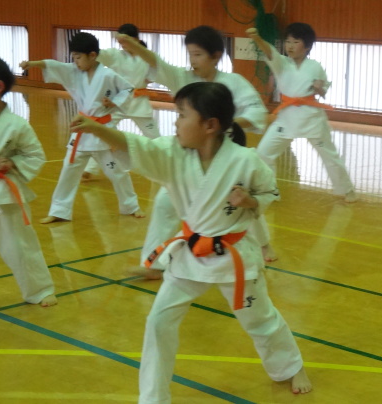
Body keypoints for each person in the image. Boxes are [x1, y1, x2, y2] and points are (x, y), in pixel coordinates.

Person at [70, 81, 312, 402]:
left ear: (210, 125)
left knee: (260, 320)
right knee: (158, 322)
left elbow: (269, 192)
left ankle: (290, 367)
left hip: (232, 258)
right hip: (190, 256)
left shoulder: (246, 160)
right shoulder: (173, 153)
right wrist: (97, 129)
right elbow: (136, 146)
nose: (176, 123)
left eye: (183, 115)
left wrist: (251, 201)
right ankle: (153, 398)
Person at [116, 26, 278, 279]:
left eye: (198, 54)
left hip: (225, 157)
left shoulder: (234, 82)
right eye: (190, 54)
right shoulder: (184, 79)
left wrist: (226, 125)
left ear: (216, 56)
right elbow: (158, 64)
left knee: (241, 204)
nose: (192, 60)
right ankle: (154, 265)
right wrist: (135, 47)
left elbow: (257, 112)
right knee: (164, 203)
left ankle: (263, 245)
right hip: (189, 157)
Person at [20, 32, 145, 223]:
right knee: (68, 171)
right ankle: (59, 210)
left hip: (102, 132)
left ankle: (131, 206)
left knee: (116, 172)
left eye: (78, 57)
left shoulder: (107, 75)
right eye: (73, 57)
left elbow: (128, 89)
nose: (75, 62)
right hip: (81, 131)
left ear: (92, 55)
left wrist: (114, 102)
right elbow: (55, 65)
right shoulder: (74, 72)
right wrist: (33, 64)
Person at [0, 54, 57, 307]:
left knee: (18, 245)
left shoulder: (16, 125)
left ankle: (39, 290)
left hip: (1, 193)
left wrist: (13, 162)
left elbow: (35, 155)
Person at [247, 23, 358, 203]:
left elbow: (323, 91)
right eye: (287, 41)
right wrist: (257, 38)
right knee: (263, 153)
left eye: (295, 42)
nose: (290, 46)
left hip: (311, 117)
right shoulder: (282, 63)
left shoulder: (315, 66)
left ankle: (346, 190)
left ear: (306, 46)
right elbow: (269, 52)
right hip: (286, 117)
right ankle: (269, 190)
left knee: (329, 155)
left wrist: (319, 87)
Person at [82, 23, 161, 181]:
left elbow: (153, 75)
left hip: (139, 104)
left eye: (126, 41)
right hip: (116, 103)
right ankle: (89, 169)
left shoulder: (146, 57)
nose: (123, 45)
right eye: (120, 42)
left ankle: (163, 164)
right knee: (102, 132)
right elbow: (97, 54)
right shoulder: (114, 55)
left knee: (154, 137)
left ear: (136, 40)